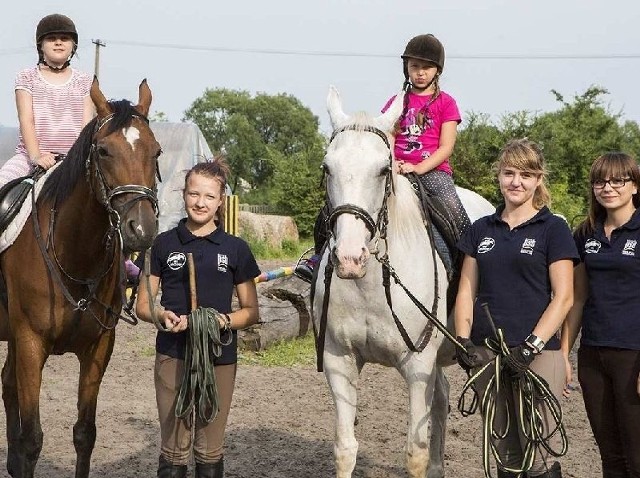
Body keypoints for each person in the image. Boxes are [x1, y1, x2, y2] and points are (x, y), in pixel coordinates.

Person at [295, 33, 470, 284]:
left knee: (456, 214)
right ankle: (317, 258)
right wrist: (393, 163)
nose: (420, 73)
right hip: (396, 169)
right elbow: (385, 140)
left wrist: (419, 168)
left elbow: (446, 147)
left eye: (427, 67)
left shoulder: (446, 103)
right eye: (415, 66)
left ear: (437, 70)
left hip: (433, 171)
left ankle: (466, 266)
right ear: (406, 68)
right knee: (335, 206)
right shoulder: (396, 102)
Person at [454, 139, 577, 478]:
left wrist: (530, 347)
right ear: (499, 177)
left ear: (539, 179)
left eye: (526, 174)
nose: (515, 182)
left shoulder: (553, 228)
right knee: (504, 453)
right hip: (488, 354)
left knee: (538, 454)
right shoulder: (481, 229)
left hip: (536, 356)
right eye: (508, 173)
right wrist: (463, 339)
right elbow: (466, 288)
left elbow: (564, 296)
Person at [136, 159, 260, 478]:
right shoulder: (163, 244)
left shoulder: (236, 249)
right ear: (184, 196)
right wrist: (161, 316)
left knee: (209, 450)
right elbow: (143, 306)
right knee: (174, 450)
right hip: (172, 354)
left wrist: (222, 321)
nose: (200, 202)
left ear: (221, 201)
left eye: (208, 196)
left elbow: (250, 311)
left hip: (218, 358)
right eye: (194, 194)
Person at [561, 152, 640, 477]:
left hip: (633, 356)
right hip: (593, 355)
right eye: (599, 181)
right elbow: (578, 298)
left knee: (637, 459)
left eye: (617, 180)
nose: (607, 187)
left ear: (634, 185)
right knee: (611, 457)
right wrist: (564, 354)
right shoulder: (585, 233)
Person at [0, 13, 94, 188]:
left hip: (74, 158)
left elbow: (86, 126)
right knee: (2, 182)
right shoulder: (27, 77)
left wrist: (77, 157)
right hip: (30, 157)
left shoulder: (84, 81)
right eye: (51, 38)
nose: (58, 42)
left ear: (73, 46)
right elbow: (26, 120)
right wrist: (36, 156)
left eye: (64, 38)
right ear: (40, 46)